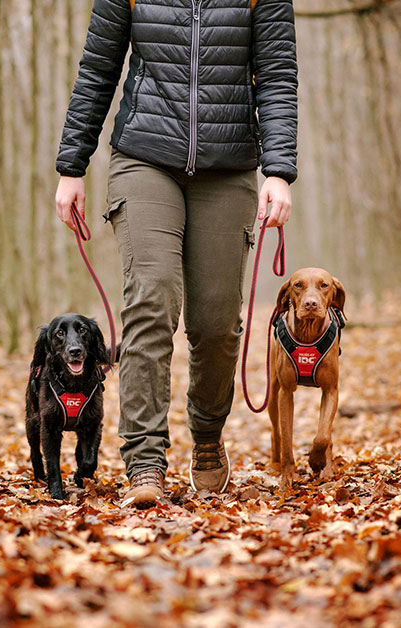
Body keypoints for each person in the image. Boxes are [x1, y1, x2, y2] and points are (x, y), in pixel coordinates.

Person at [55, 0, 297, 508]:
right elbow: (98, 67)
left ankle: (208, 436)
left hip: (229, 165)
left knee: (215, 323)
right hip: (144, 157)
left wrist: (278, 171)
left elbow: (276, 75)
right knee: (152, 297)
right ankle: (144, 460)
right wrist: (71, 166)